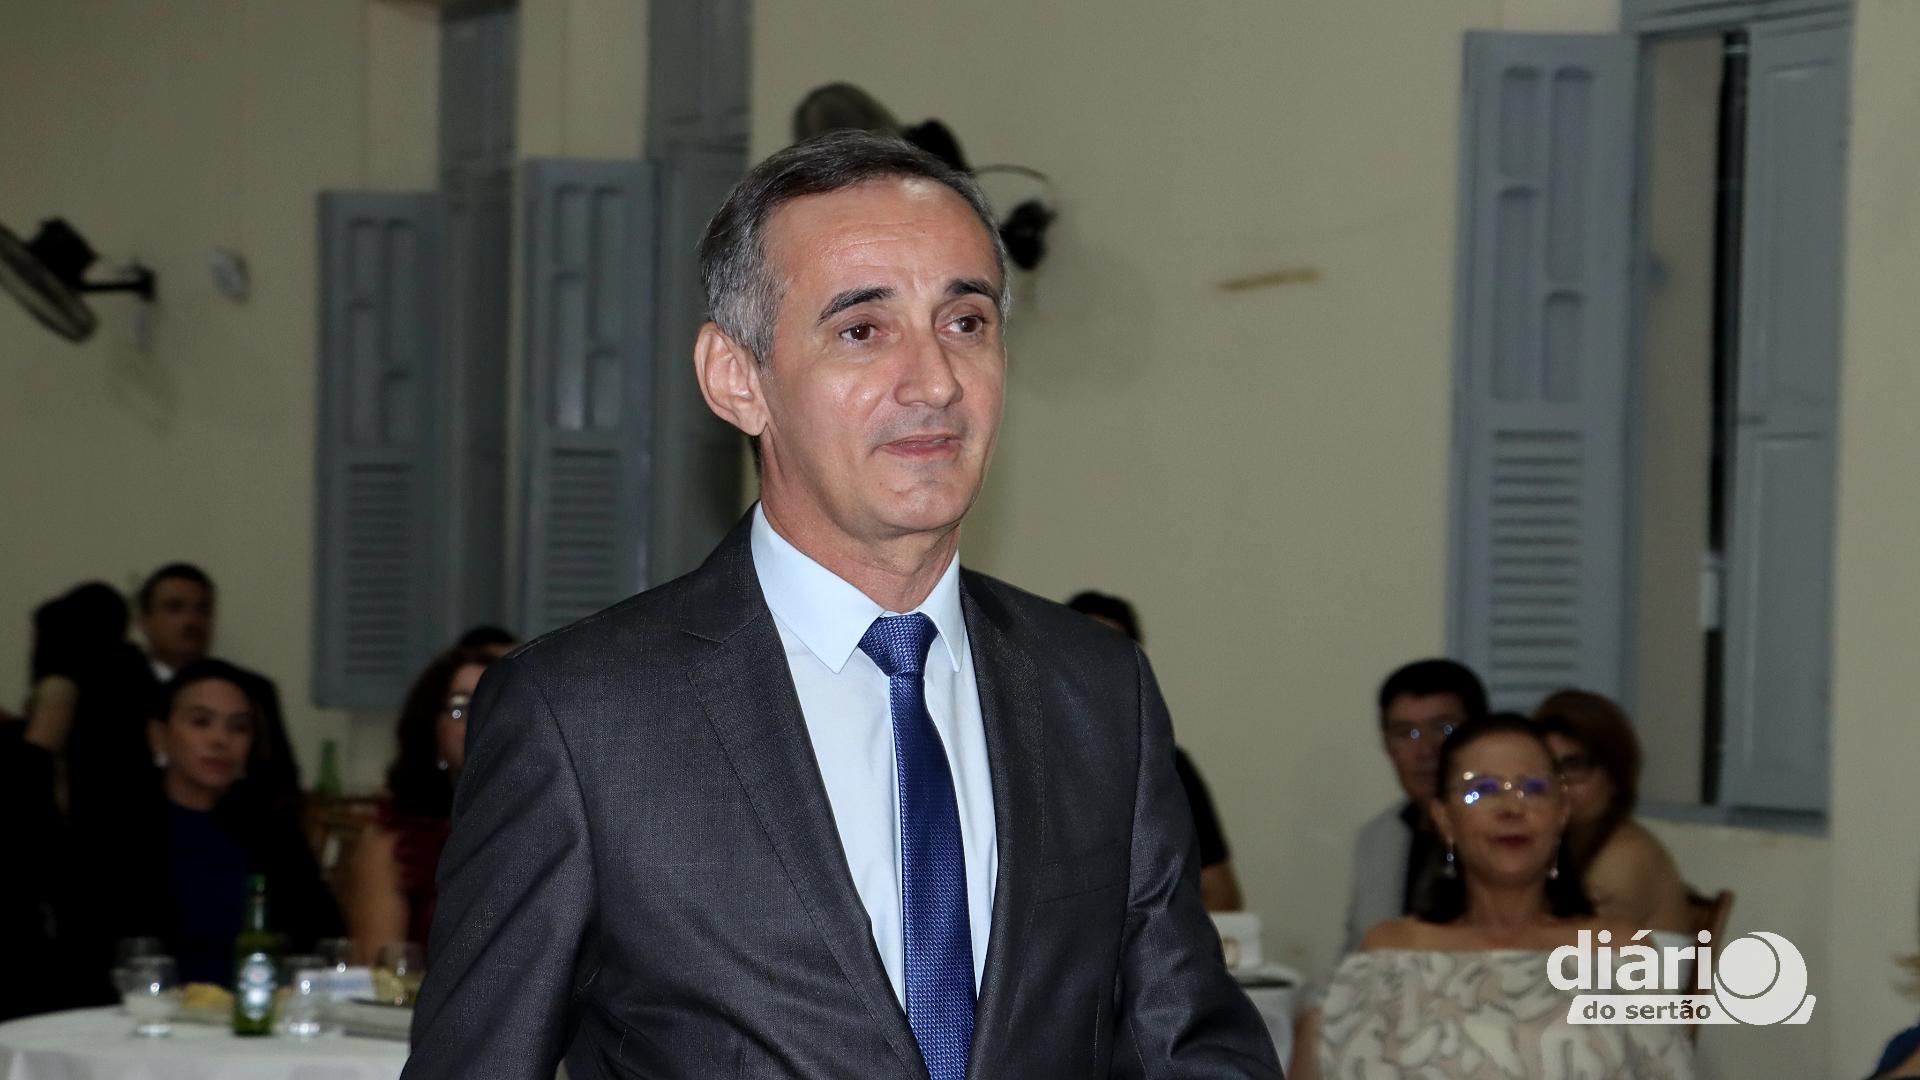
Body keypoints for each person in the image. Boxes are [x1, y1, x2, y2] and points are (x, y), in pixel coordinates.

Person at [402, 131, 1281, 1079]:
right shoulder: (582, 718)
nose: (935, 381)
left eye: (966, 322)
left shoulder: (1096, 689)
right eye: (863, 330)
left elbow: (1186, 1044)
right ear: (737, 378)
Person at [1293, 714, 1694, 1079]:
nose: (1510, 808)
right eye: (1481, 790)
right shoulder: (1392, 951)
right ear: (1444, 818)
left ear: (1561, 814)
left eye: (1533, 788)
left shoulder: (1619, 951)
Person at [71, 660, 342, 987]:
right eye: (201, 722)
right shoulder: (115, 833)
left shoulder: (274, 835)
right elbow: (90, 955)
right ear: (159, 737)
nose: (220, 740)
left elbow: (321, 942)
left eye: (238, 727)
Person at [1067, 589, 1245, 911]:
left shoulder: (1167, 767)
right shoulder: (1015, 762)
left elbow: (1221, 893)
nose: (1097, 669)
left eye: (1112, 654)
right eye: (1083, 651)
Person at [346, 644, 495, 963]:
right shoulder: (393, 841)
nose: (481, 719)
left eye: (495, 704)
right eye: (461, 707)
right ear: (433, 731)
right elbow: (382, 969)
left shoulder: (551, 825)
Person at [1342, 658, 1490, 954]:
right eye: (1406, 733)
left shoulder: (1510, 828)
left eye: (1444, 728)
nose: (1425, 750)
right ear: (1387, 745)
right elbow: (1357, 954)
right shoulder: (1378, 837)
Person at [135, 563, 303, 814]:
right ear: (144, 621)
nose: (191, 620)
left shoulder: (254, 689)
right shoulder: (116, 692)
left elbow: (279, 779)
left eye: (202, 609)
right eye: (175, 608)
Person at [1532, 689, 1692, 933]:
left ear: (1616, 777)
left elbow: (1566, 951)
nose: (1558, 784)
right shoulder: (1568, 844)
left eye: (1574, 767)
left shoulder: (1624, 859)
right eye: (1548, 768)